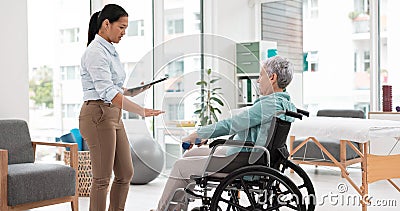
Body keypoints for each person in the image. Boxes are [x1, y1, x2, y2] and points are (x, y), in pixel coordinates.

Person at [154, 55, 297, 211]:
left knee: (181, 166)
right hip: (252, 154)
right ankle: (176, 208)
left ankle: (163, 209)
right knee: (190, 155)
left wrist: (197, 134)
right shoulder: (284, 104)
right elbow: (244, 129)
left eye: (261, 75)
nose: (257, 81)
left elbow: (231, 124)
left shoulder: (269, 104)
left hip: (244, 160)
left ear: (272, 77)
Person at [79, 4, 164, 211]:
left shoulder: (110, 50)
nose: (124, 33)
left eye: (126, 28)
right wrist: (141, 111)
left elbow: (115, 88)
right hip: (97, 115)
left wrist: (135, 90)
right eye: (121, 27)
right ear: (106, 24)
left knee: (126, 172)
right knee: (102, 179)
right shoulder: (95, 52)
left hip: (112, 115)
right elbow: (107, 92)